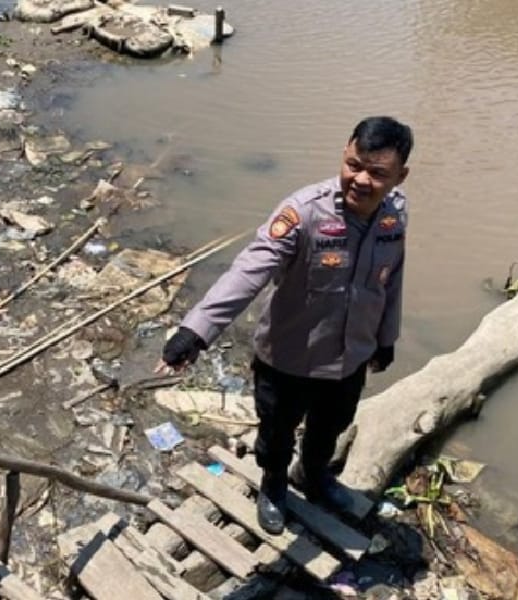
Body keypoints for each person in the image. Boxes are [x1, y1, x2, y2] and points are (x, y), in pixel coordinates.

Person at [157, 116, 413, 534]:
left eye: (377, 173)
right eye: (353, 165)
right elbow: (248, 271)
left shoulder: (394, 217)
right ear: (343, 156)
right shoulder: (303, 212)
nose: (361, 180)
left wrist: (386, 339)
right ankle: (274, 483)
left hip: (349, 358)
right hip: (288, 358)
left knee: (331, 427)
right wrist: (196, 331)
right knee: (275, 435)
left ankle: (313, 476)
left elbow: (392, 279)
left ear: (400, 176)